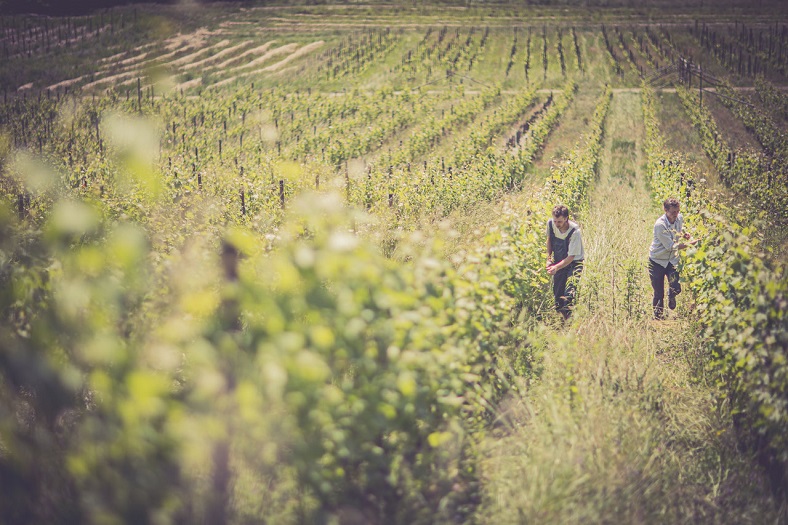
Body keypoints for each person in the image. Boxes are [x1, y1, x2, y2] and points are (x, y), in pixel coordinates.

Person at [648, 197, 695, 320]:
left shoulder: (679, 218)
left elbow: (679, 229)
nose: (676, 214)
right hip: (657, 261)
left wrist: (685, 234)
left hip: (672, 260)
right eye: (673, 212)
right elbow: (670, 246)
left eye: (678, 211)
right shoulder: (660, 225)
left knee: (676, 287)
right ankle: (658, 318)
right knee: (658, 293)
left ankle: (672, 295)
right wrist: (691, 244)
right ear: (665, 210)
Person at [546, 205, 584, 320]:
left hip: (574, 263)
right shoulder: (550, 224)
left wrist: (556, 267)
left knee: (569, 293)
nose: (557, 224)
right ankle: (559, 321)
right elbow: (549, 241)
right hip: (559, 261)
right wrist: (548, 258)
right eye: (555, 221)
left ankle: (569, 322)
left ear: (566, 218)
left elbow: (571, 257)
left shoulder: (574, 232)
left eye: (560, 222)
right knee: (558, 293)